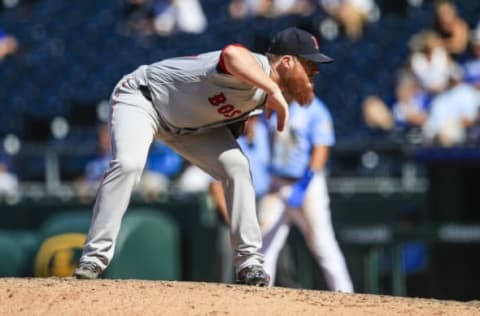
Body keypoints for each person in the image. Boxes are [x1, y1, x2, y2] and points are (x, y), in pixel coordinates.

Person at [73, 27, 334, 287]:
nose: (315, 72)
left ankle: (250, 262)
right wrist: (274, 91)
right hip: (143, 100)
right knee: (129, 165)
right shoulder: (257, 66)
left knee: (237, 167)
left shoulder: (264, 96)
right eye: (309, 64)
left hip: (187, 128)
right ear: (287, 62)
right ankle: (94, 257)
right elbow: (232, 54)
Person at [257, 95, 354, 292]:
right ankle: (258, 293)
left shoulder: (315, 109)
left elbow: (321, 149)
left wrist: (304, 185)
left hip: (306, 184)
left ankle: (345, 294)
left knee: (322, 243)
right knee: (264, 244)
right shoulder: (274, 105)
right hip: (278, 182)